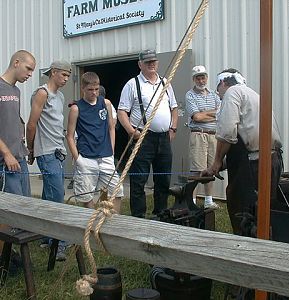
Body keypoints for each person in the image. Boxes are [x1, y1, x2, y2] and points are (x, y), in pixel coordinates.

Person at [202, 68, 283, 235]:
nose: (219, 95)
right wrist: (218, 166)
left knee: (243, 212)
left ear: (223, 83)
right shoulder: (254, 95)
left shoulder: (232, 92)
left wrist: (216, 161)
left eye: (218, 91)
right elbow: (243, 140)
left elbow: (227, 132)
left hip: (253, 166)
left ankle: (243, 249)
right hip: (271, 160)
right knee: (265, 212)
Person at [118, 49, 178, 218]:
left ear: (157, 63)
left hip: (164, 138)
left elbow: (174, 107)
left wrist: (173, 128)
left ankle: (161, 214)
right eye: (147, 62)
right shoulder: (132, 84)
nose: (151, 64)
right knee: (139, 181)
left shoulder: (165, 82)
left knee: (163, 179)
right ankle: (139, 218)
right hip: (143, 139)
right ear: (140, 64)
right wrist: (131, 131)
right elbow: (122, 111)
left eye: (154, 61)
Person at [26, 60, 72, 261]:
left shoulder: (60, 96)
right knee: (57, 197)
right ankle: (60, 243)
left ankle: (45, 237)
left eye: (69, 76)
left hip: (57, 150)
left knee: (48, 196)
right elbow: (31, 124)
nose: (66, 79)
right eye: (64, 75)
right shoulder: (41, 93)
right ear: (53, 73)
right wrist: (30, 149)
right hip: (45, 152)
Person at [66, 72, 123, 211]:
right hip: (86, 157)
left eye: (96, 89)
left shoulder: (105, 103)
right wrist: (77, 158)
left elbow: (111, 127)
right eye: (90, 90)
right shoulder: (76, 108)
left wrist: (112, 150)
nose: (94, 93)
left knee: (117, 190)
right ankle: (91, 222)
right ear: (83, 88)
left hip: (106, 156)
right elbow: (70, 135)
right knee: (85, 194)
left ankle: (113, 222)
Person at [0, 50, 36, 270]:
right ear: (16, 63)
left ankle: (9, 255)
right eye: (28, 68)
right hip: (6, 161)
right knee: (7, 211)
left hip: (19, 157)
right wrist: (6, 153)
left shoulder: (16, 91)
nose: (30, 74)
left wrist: (23, 150)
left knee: (22, 209)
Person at [185, 65, 221, 209]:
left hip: (214, 136)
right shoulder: (190, 95)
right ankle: (192, 201)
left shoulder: (214, 94)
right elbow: (197, 117)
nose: (201, 81)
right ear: (194, 79)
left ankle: (208, 200)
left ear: (207, 78)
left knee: (211, 169)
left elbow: (221, 113)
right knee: (197, 169)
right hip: (198, 135)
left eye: (203, 77)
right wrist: (213, 114)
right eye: (198, 78)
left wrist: (205, 113)